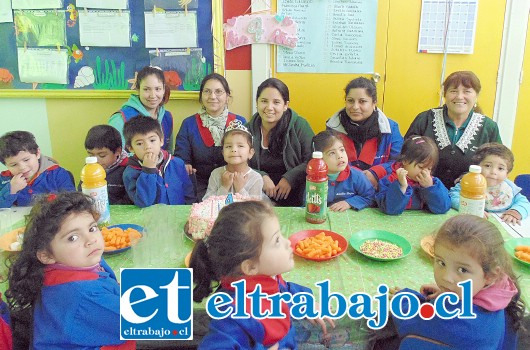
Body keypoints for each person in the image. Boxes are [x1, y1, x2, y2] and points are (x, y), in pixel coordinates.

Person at [190, 201, 334, 349]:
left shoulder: (267, 279)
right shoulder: (234, 315)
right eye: (277, 240)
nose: (288, 243)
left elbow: (284, 290)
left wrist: (304, 302)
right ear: (250, 266)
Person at [5, 192, 135, 349]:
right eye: (73, 238)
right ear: (46, 255)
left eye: (92, 228)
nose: (90, 240)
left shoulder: (81, 260)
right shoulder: (84, 296)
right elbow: (155, 318)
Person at [388, 215, 524, 349]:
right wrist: (447, 294)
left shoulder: (457, 321)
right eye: (441, 262)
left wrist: (404, 297)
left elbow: (408, 321)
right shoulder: (500, 290)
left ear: (490, 275)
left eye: (462, 270)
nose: (447, 277)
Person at [405, 71, 502, 189]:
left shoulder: (489, 127)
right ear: (444, 94)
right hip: (422, 194)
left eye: (467, 91)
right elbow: (405, 157)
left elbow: (498, 165)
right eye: (453, 91)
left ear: (476, 95)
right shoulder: (424, 119)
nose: (460, 96)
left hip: (468, 195)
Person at [175, 73, 246, 200]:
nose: (212, 96)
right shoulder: (189, 124)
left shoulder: (239, 122)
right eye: (207, 91)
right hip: (198, 187)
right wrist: (184, 164)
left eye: (218, 92)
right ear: (201, 96)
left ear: (227, 96)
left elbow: (249, 156)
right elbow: (181, 156)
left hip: (235, 184)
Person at [247, 78, 315, 206]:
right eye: (264, 101)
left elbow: (313, 159)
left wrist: (290, 178)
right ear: (257, 103)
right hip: (257, 197)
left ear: (285, 105)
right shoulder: (246, 130)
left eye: (276, 102)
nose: (269, 107)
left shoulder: (299, 125)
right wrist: (260, 176)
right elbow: (237, 162)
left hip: (297, 195)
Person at [326, 77, 403, 190]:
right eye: (350, 101)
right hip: (345, 189)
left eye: (362, 101)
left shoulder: (390, 128)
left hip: (381, 188)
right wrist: (358, 177)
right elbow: (327, 160)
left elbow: (400, 161)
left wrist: (376, 173)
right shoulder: (333, 127)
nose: (355, 107)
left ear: (374, 103)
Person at [122, 116, 195, 207]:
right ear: (131, 148)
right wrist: (148, 171)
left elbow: (189, 194)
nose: (148, 147)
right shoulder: (130, 172)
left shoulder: (177, 163)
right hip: (150, 220)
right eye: (140, 143)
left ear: (161, 140)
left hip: (179, 217)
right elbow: (144, 202)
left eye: (152, 140)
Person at [449, 142, 530, 225]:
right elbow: (453, 196)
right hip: (472, 224)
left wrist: (515, 212)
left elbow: (524, 202)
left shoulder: (509, 188)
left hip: (503, 225)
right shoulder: (469, 181)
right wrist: (470, 208)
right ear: (477, 166)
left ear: (507, 173)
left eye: (500, 168)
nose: (493, 172)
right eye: (487, 166)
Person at [376, 135, 451, 215]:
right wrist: (401, 187)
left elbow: (443, 208)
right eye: (421, 167)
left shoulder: (432, 182)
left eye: (429, 169)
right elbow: (390, 209)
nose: (425, 172)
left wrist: (430, 187)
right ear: (405, 160)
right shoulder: (389, 180)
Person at [0, 131, 75, 208]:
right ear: (6, 165)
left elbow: (73, 203)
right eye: (14, 165)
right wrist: (11, 189)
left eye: (26, 160)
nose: (22, 167)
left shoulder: (58, 174)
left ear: (37, 153)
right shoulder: (4, 179)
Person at [109, 65, 174, 152]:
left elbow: (169, 152)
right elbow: (113, 155)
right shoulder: (121, 118)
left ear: (163, 90)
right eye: (146, 89)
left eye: (157, 89)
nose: (153, 95)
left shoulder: (167, 117)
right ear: (138, 90)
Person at [312, 130, 375, 212]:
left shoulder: (357, 175)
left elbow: (371, 197)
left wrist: (349, 203)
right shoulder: (313, 178)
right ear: (319, 159)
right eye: (332, 153)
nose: (339, 156)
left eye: (341, 150)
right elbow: (307, 203)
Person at [203, 120, 263, 200]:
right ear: (223, 152)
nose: (234, 150)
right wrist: (224, 187)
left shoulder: (255, 178)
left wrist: (240, 189)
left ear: (250, 153)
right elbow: (207, 202)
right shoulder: (216, 174)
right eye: (228, 146)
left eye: (240, 146)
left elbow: (256, 208)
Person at [79, 125, 132, 204]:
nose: (95, 160)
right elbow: (81, 193)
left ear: (118, 151)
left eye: (102, 155)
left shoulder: (128, 169)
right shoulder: (89, 169)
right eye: (90, 155)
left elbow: (130, 200)